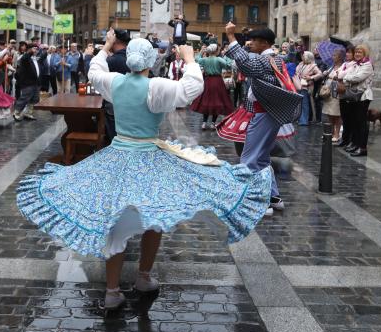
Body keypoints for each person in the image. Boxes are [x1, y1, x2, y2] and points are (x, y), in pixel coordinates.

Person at [17, 30, 271, 310]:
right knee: (155, 215)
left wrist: (105, 47)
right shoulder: (156, 87)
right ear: (150, 60)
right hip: (149, 157)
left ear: (128, 61)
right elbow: (189, 90)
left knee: (116, 222)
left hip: (117, 156)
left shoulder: (115, 82)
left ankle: (112, 291)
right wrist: (189, 60)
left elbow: (95, 71)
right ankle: (143, 277)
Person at [224, 22, 301, 215]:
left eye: (254, 41)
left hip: (263, 114)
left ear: (265, 43)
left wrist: (231, 37)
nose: (251, 44)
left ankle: (260, 201)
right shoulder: (275, 59)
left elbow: (246, 64)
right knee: (262, 159)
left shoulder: (265, 61)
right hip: (268, 114)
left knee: (249, 158)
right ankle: (273, 197)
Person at [341, 45, 374, 157]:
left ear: (365, 53)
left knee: (361, 123)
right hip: (355, 95)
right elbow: (348, 75)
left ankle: (362, 147)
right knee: (354, 121)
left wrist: (347, 78)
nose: (357, 54)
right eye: (356, 52)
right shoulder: (356, 64)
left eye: (360, 52)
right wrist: (348, 78)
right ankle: (355, 143)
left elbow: (357, 78)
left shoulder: (367, 65)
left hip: (363, 96)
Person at [190, 44, 233, 130]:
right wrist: (227, 55)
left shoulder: (204, 60)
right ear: (216, 51)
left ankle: (204, 123)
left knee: (206, 101)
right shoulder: (219, 59)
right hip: (217, 82)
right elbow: (229, 65)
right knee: (217, 102)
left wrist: (201, 52)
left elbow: (197, 59)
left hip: (207, 81)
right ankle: (213, 123)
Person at [102, 29, 130, 143]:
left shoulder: (112, 61)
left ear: (115, 41)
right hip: (131, 108)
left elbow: (93, 73)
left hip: (114, 108)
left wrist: (105, 48)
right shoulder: (131, 59)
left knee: (113, 141)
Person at [13, 44, 43, 121]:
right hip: (28, 82)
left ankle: (28, 113)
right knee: (25, 98)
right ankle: (16, 112)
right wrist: (30, 52)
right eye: (34, 48)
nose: (36, 50)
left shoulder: (36, 59)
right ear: (29, 49)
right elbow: (25, 57)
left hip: (36, 82)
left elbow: (42, 58)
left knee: (34, 99)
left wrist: (47, 50)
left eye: (37, 49)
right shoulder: (25, 58)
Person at [322, 50, 346, 143]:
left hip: (336, 91)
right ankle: (330, 132)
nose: (333, 57)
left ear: (340, 57)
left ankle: (336, 133)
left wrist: (334, 77)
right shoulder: (331, 66)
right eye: (333, 55)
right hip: (328, 91)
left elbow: (342, 77)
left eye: (335, 55)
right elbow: (327, 75)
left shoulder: (343, 67)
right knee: (329, 113)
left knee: (336, 113)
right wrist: (325, 74)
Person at [295, 51, 322, 126]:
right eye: (302, 56)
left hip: (306, 86)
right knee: (299, 104)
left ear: (308, 57)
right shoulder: (301, 64)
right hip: (298, 85)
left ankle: (304, 121)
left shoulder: (313, 65)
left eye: (304, 56)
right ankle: (300, 119)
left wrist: (311, 77)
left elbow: (320, 74)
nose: (302, 57)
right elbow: (296, 71)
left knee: (304, 104)